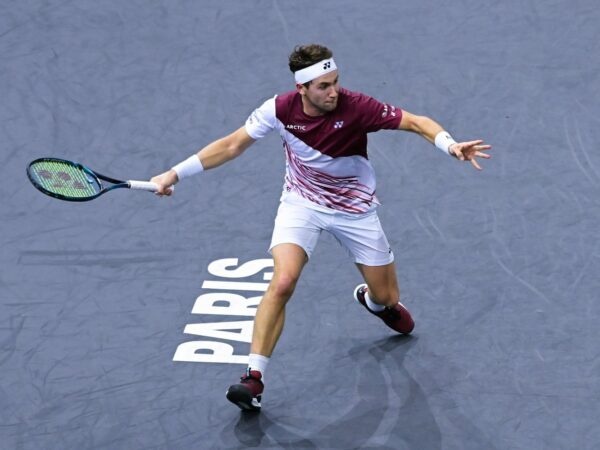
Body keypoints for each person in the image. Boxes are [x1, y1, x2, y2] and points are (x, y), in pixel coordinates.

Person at [150, 44, 491, 412]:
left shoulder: (357, 106)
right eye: (323, 86)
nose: (333, 92)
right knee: (282, 281)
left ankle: (375, 304)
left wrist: (450, 144)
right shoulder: (278, 110)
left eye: (335, 82)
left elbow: (415, 121)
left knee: (388, 297)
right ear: (302, 89)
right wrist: (174, 173)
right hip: (302, 204)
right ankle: (253, 378)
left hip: (355, 212)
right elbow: (232, 145)